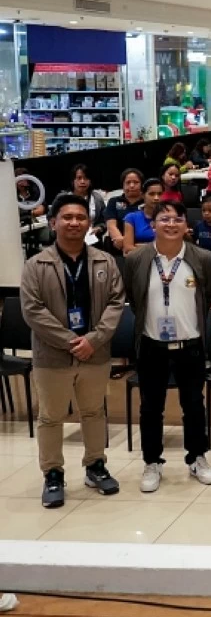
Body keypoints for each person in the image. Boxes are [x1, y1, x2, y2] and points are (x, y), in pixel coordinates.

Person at [20, 195, 126, 508]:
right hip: (52, 356)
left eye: (80, 217)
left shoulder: (104, 261)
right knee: (51, 417)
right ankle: (53, 473)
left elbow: (116, 302)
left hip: (95, 352)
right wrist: (70, 341)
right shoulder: (35, 265)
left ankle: (95, 465)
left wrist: (94, 339)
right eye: (67, 217)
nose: (74, 223)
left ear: (88, 223)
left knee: (93, 412)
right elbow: (32, 310)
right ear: (53, 223)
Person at [125, 199, 211, 492]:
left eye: (177, 219)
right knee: (151, 407)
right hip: (152, 344)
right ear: (152, 225)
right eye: (163, 219)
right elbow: (133, 295)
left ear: (185, 225)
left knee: (193, 405)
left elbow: (209, 294)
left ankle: (197, 458)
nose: (170, 224)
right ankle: (151, 462)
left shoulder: (202, 257)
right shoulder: (136, 259)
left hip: (190, 343)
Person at [56, 164, 107, 236]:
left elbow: (105, 220)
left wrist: (99, 228)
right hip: (67, 238)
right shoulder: (62, 198)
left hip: (92, 239)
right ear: (73, 181)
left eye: (86, 178)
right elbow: (51, 218)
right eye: (79, 178)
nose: (83, 181)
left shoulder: (97, 198)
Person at [105, 169, 144, 254]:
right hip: (118, 244)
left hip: (141, 245)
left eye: (136, 182)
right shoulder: (114, 201)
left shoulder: (146, 202)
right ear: (123, 185)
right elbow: (111, 225)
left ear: (141, 185)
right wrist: (120, 239)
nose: (132, 185)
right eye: (128, 182)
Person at [123, 178, 165, 255]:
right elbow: (128, 249)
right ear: (143, 195)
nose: (156, 198)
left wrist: (142, 247)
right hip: (140, 262)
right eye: (151, 194)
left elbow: (172, 248)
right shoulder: (131, 218)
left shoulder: (169, 218)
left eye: (160, 194)